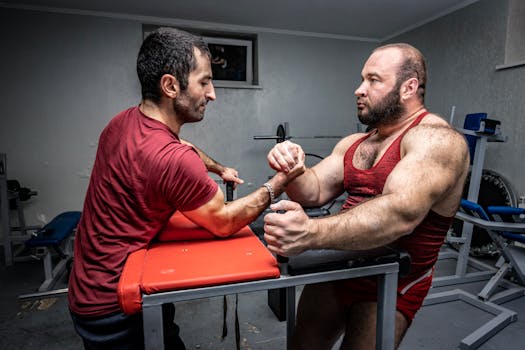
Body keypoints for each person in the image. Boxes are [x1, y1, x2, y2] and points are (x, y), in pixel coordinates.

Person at [68, 27, 304, 350]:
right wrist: (281, 181)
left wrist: (220, 168)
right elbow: (222, 221)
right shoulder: (171, 160)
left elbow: (183, 147)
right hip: (113, 305)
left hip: (85, 284)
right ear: (170, 85)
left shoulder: (123, 123)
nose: (212, 94)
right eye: (204, 81)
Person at [264, 43, 470, 349]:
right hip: (341, 262)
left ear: (408, 87)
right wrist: (292, 167)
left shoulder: (436, 139)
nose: (359, 89)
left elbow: (401, 214)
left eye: (373, 80)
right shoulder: (356, 142)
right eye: (362, 79)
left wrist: (310, 233)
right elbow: (314, 190)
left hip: (392, 279)